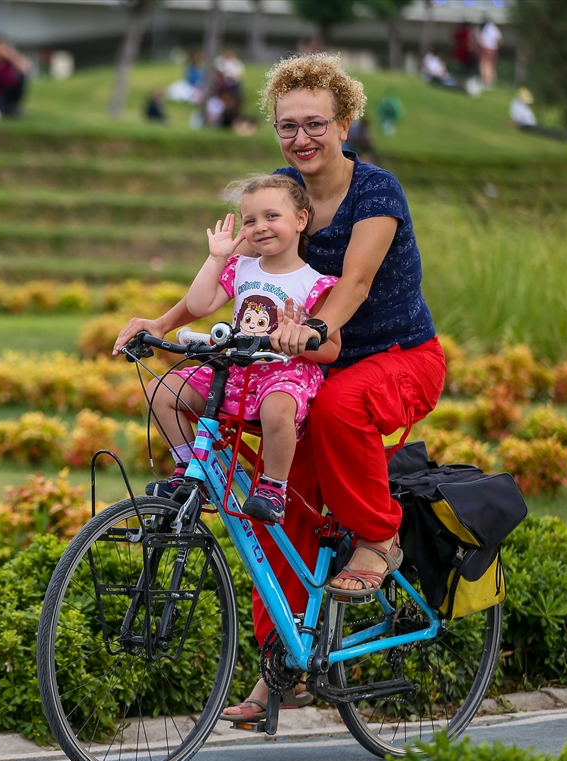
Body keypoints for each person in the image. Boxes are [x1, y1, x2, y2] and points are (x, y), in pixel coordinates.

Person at [113, 52, 446, 723]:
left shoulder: (376, 193)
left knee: (340, 411)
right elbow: (229, 278)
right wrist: (164, 321)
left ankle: (380, 537)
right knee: (274, 513)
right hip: (301, 366)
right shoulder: (278, 200)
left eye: (316, 123)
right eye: (288, 126)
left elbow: (352, 283)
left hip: (394, 356)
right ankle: (281, 668)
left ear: (345, 121)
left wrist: (313, 331)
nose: (302, 138)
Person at [139, 175, 342, 524]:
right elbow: (201, 303)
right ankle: (191, 469)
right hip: (236, 369)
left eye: (271, 216)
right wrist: (217, 257)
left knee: (278, 409)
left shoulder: (314, 283)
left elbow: (332, 349)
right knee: (163, 391)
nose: (260, 227)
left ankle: (273, 488)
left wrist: (300, 337)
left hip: (284, 372)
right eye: (250, 221)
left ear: (301, 220)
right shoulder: (241, 267)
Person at [0, 36, 31, 117]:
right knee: (1, 108)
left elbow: (26, 68)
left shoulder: (9, 60)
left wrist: (11, 56)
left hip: (11, 91)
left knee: (20, 76)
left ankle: (13, 107)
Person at [478, 17, 501, 89]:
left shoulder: (485, 28)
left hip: (486, 48)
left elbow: (480, 39)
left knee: (484, 65)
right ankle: (491, 82)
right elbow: (500, 40)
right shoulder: (495, 28)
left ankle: (486, 82)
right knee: (491, 66)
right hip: (493, 49)